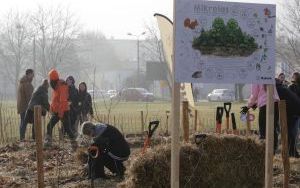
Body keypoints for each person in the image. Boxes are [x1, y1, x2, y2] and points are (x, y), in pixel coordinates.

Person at [44, 69, 77, 149]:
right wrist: (52, 109)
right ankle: (74, 144)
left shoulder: (62, 86)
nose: (50, 81)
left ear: (53, 79)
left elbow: (63, 101)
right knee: (65, 128)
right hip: (58, 111)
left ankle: (74, 145)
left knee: (65, 129)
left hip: (63, 111)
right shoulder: (56, 86)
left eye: (50, 79)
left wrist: (60, 113)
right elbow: (55, 99)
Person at [247, 84, 280, 152]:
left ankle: (265, 151)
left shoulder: (255, 77)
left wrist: (248, 105)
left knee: (263, 129)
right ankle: (273, 150)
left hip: (265, 105)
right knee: (273, 128)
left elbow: (255, 95)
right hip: (275, 103)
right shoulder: (269, 74)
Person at [276, 78, 300, 158]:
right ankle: (292, 152)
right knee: (291, 133)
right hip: (295, 110)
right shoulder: (282, 88)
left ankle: (292, 153)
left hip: (292, 111)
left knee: (289, 133)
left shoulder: (277, 90)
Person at [17, 69, 34, 141]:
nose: (33, 76)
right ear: (29, 74)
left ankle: (22, 138)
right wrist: (32, 106)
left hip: (21, 106)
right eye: (32, 74)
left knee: (23, 122)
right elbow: (29, 97)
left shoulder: (22, 82)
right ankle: (23, 139)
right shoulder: (27, 84)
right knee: (25, 122)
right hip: (25, 106)